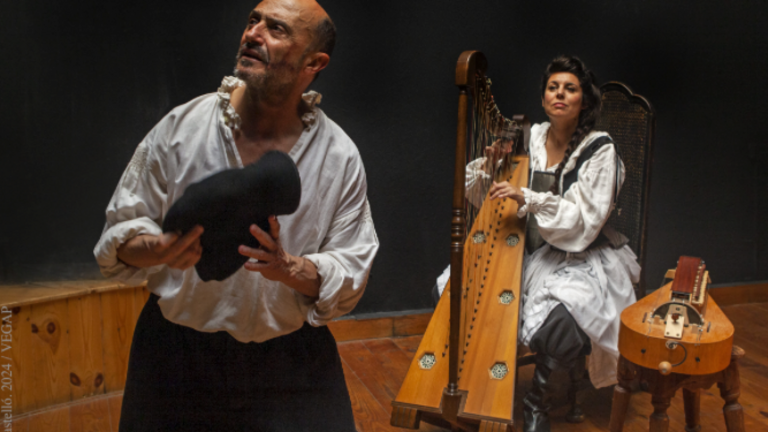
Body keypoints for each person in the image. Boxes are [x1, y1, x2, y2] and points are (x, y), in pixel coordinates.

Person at [93, 0, 378, 430]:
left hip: (292, 362)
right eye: (252, 21)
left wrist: (288, 267)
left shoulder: (339, 156)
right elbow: (118, 238)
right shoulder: (180, 128)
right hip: (176, 357)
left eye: (276, 28)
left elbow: (352, 270)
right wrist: (160, 249)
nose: (253, 34)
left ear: (314, 63)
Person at [468, 56, 640, 432]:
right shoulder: (529, 137)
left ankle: (537, 406)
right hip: (527, 251)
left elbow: (584, 223)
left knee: (562, 320)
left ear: (584, 100)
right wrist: (491, 166)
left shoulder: (600, 150)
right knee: (459, 289)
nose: (560, 93)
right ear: (544, 97)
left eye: (570, 88)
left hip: (581, 256)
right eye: (552, 87)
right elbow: (485, 194)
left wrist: (527, 197)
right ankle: (479, 387)